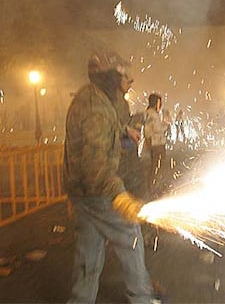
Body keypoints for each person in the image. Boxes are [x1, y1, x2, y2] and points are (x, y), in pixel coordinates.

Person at [63, 50, 155, 304]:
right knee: (131, 237)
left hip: (81, 192)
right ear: (110, 78)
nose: (128, 86)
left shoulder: (91, 98)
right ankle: (142, 299)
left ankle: (80, 300)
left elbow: (101, 129)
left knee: (89, 252)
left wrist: (123, 130)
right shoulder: (98, 109)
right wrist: (119, 195)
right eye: (124, 79)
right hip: (98, 191)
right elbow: (95, 164)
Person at [143, 93, 168, 198]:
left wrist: (165, 124)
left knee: (159, 166)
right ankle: (153, 189)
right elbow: (148, 130)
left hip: (159, 143)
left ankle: (156, 187)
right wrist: (149, 143)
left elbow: (158, 129)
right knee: (155, 167)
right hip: (155, 144)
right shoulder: (150, 114)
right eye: (159, 102)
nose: (161, 104)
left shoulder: (155, 114)